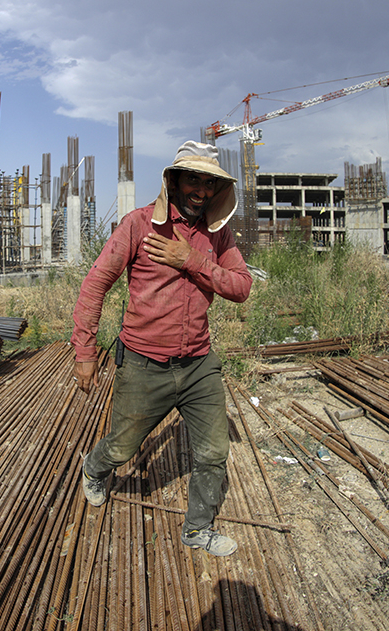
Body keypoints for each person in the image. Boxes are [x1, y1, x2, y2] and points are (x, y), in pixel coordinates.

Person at [71, 140, 253, 557]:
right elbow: (96, 284)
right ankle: (93, 469)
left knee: (212, 453)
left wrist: (192, 259)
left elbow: (241, 288)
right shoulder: (138, 225)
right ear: (172, 180)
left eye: (209, 183)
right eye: (193, 179)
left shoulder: (216, 235)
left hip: (199, 366)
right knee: (122, 446)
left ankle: (197, 529)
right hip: (143, 364)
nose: (201, 191)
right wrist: (84, 352)